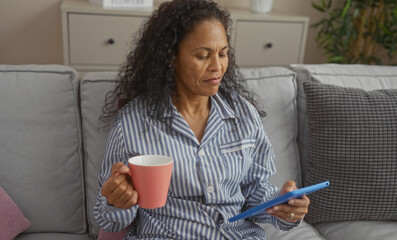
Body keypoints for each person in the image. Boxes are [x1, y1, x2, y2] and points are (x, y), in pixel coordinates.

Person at [94, 0, 310, 239]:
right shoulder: (132, 124)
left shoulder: (243, 114)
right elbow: (108, 221)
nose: (217, 66)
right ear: (171, 58)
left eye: (223, 54)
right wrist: (116, 203)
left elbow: (255, 191)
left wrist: (284, 207)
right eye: (202, 55)